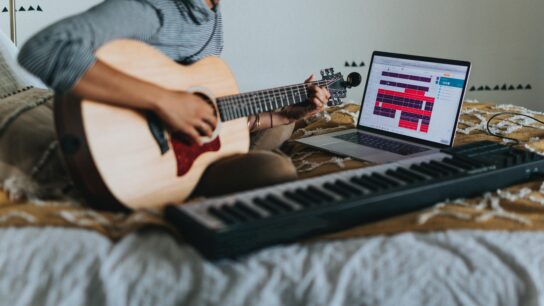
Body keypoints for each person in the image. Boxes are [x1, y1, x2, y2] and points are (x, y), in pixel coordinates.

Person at [17, 0, 331, 199]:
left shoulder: (210, 14)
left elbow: (204, 111)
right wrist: (164, 102)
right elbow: (45, 49)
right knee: (276, 172)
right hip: (137, 156)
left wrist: (281, 116)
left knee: (282, 130)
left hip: (186, 146)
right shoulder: (154, 9)